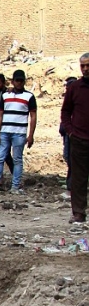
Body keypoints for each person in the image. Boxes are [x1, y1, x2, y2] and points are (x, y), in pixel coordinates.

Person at [0, 68, 36, 194]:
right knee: (0, 158)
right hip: (5, 132)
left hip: (19, 133)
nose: (19, 83)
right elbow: (0, 115)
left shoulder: (29, 97)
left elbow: (33, 116)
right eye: (17, 80)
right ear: (13, 81)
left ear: (24, 81)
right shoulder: (5, 96)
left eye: (21, 81)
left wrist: (30, 135)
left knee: (17, 159)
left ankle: (15, 186)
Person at [61, 53, 89, 225]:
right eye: (82, 66)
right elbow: (65, 111)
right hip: (79, 140)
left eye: (88, 65)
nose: (85, 69)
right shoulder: (74, 88)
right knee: (78, 178)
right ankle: (78, 213)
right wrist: (70, 131)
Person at [60, 76, 78, 195]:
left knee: (74, 159)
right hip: (69, 133)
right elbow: (65, 114)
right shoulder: (69, 98)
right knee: (69, 158)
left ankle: (73, 186)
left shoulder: (78, 97)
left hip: (76, 133)